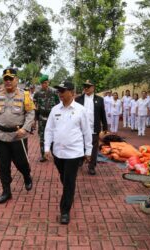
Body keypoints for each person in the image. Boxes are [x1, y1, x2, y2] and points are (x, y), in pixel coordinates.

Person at [44, 81, 92, 225]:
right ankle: (69, 193)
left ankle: (65, 211)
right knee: (64, 178)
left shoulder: (80, 110)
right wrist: (47, 147)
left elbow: (86, 132)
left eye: (63, 91)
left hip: (74, 153)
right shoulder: (55, 110)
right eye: (59, 91)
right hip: (58, 152)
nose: (60, 94)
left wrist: (88, 151)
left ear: (72, 92)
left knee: (69, 181)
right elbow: (49, 130)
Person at [0, 68, 35, 204]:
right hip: (1, 136)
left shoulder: (25, 95)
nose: (8, 81)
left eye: (11, 78)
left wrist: (25, 128)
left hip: (18, 136)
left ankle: (26, 175)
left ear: (16, 80)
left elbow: (31, 113)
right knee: (3, 165)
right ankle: (6, 191)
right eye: (5, 79)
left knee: (21, 163)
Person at [75, 80, 107, 175]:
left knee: (94, 148)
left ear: (93, 87)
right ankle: (81, 159)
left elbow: (102, 114)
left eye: (88, 86)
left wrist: (105, 127)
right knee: (80, 145)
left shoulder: (100, 100)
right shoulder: (78, 99)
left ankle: (91, 166)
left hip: (94, 128)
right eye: (85, 86)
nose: (86, 88)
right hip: (81, 129)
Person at [33, 74, 59, 162]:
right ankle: (43, 155)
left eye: (47, 82)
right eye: (44, 83)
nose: (46, 84)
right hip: (41, 118)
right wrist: (35, 120)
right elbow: (35, 107)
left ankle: (55, 153)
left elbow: (58, 105)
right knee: (42, 137)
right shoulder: (37, 93)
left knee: (54, 136)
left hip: (52, 118)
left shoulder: (54, 92)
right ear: (41, 84)